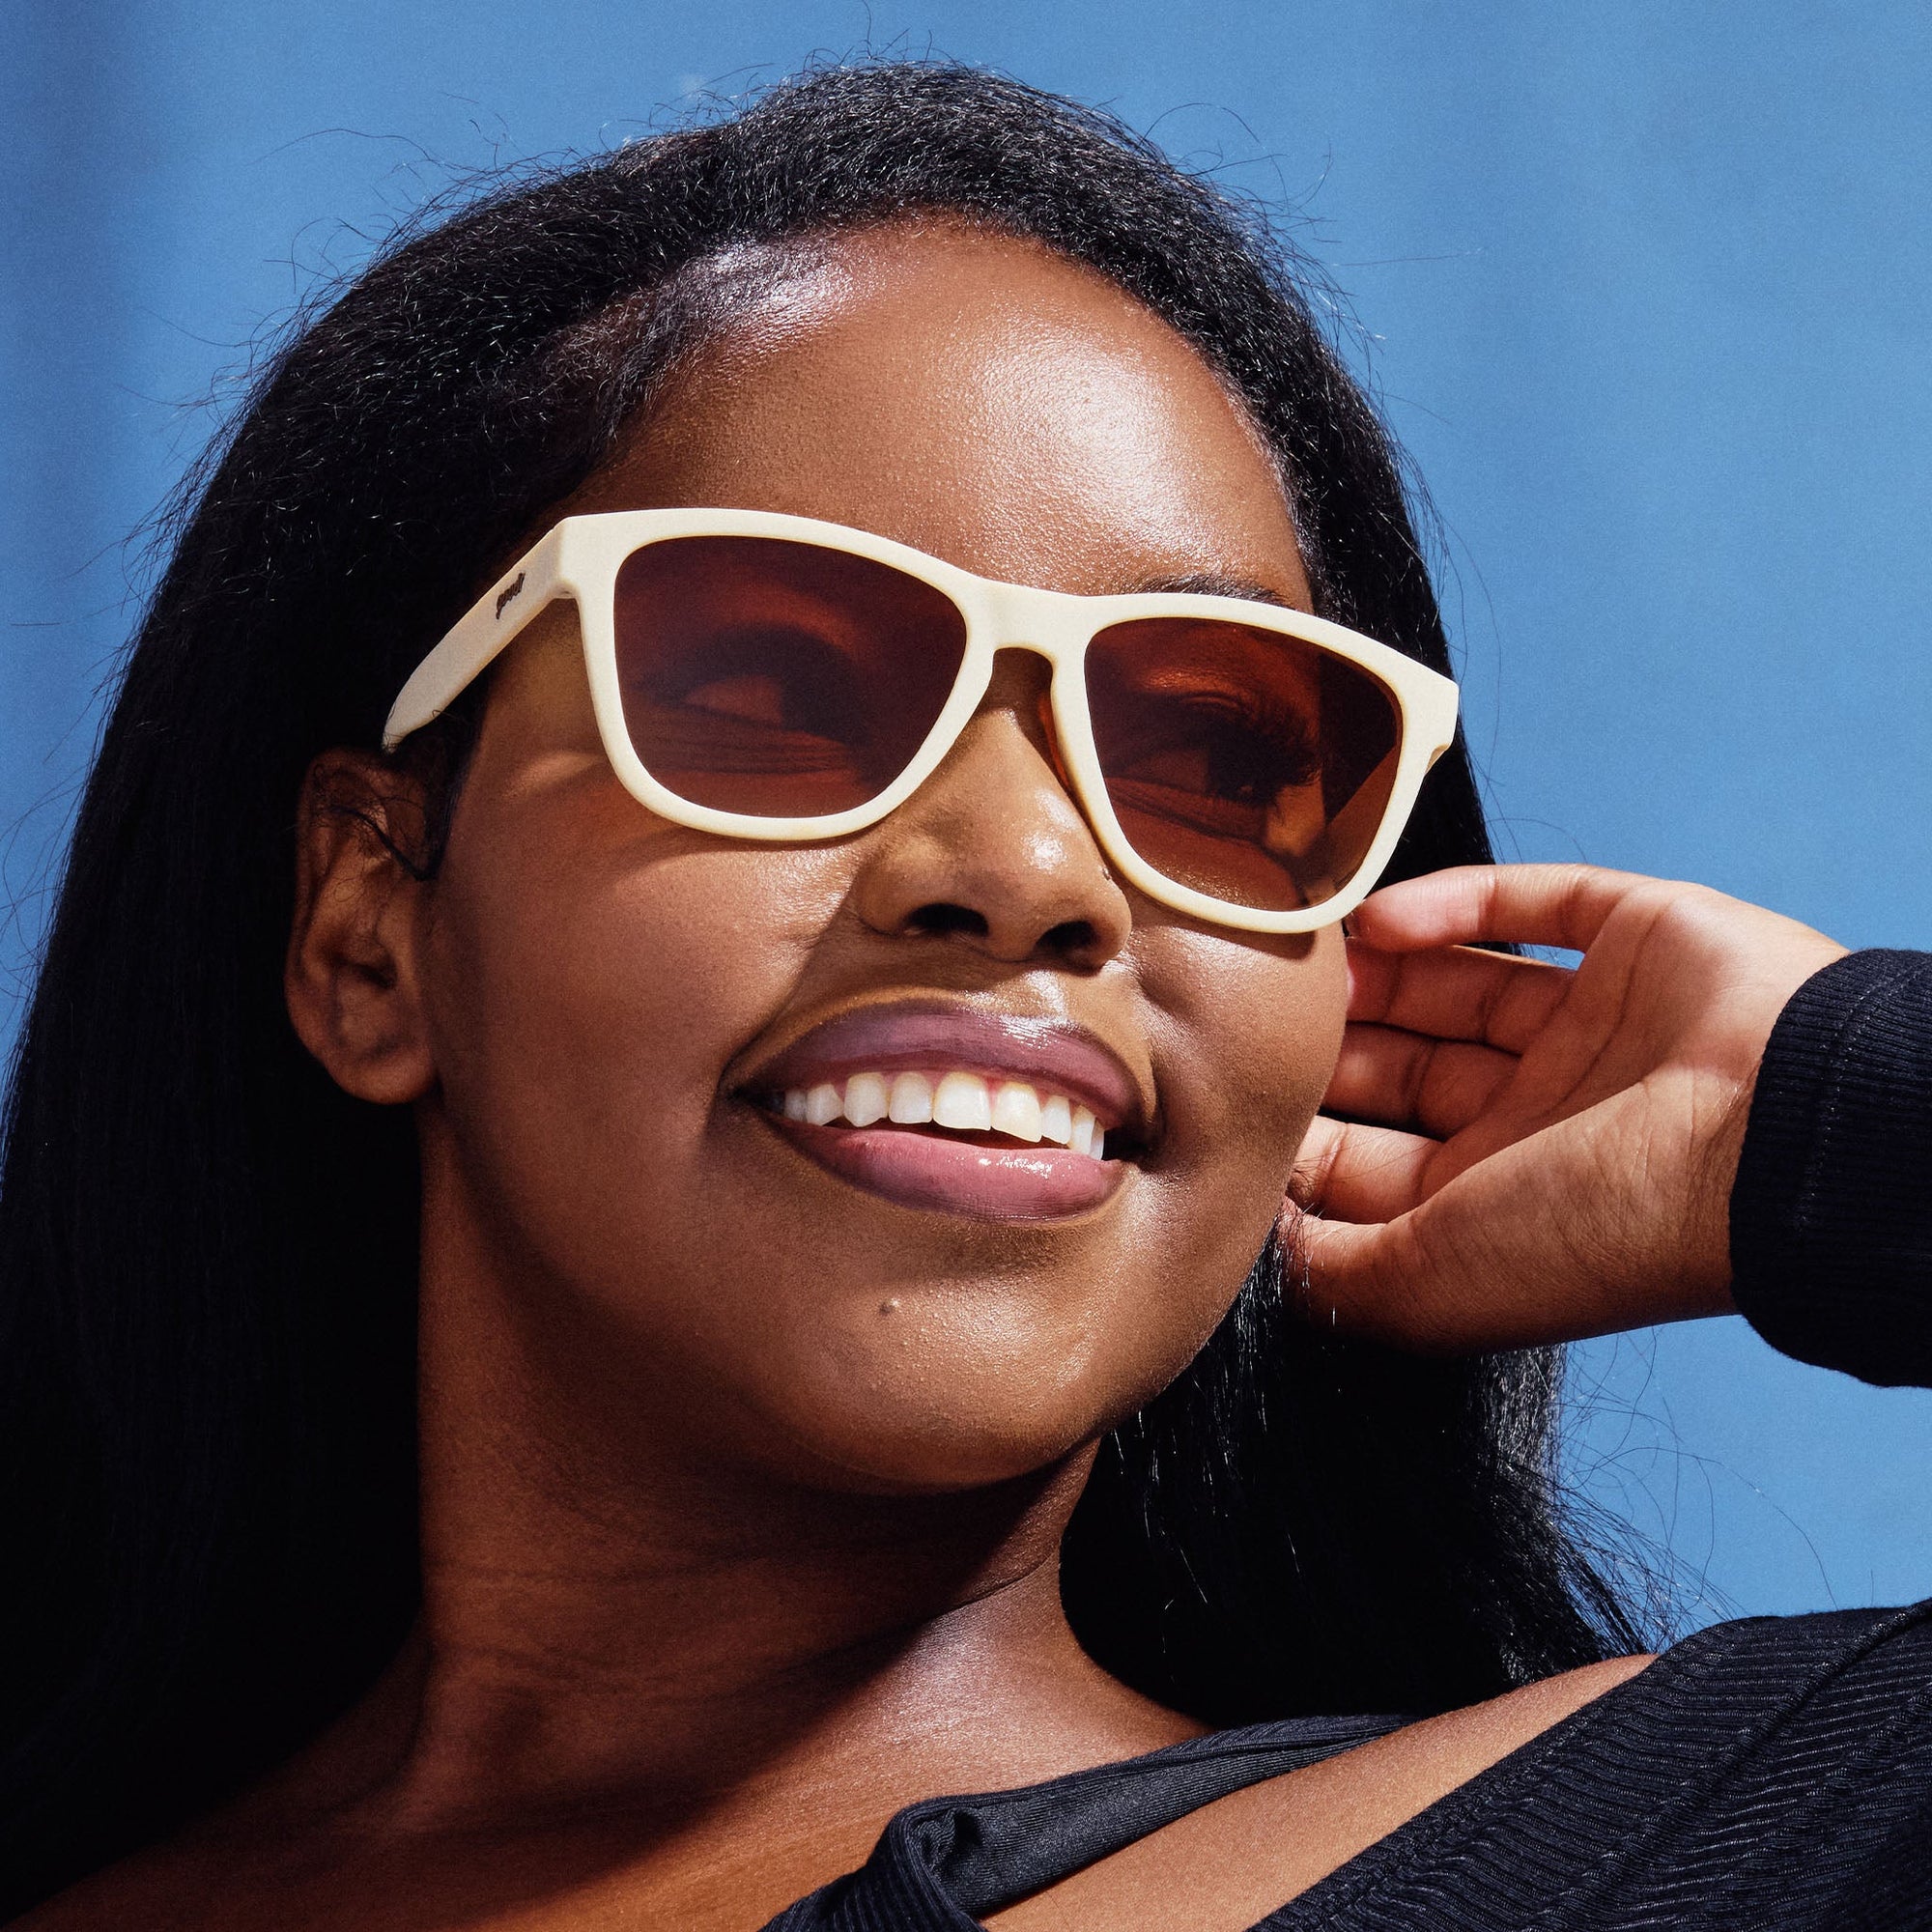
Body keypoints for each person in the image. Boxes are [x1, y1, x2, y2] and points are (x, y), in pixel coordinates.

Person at [1, 62, 1926, 1931]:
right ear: (369, 929)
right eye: (765, 690)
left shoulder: (1703, 1843)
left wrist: (1833, 1120)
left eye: (1208, 750)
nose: (1025, 872)